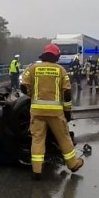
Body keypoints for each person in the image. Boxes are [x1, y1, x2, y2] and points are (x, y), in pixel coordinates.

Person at [20, 43, 84, 180]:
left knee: (37, 140)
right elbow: (67, 93)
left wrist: (32, 95)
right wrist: (67, 111)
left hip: (37, 111)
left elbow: (23, 86)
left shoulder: (33, 68)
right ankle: (73, 164)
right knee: (64, 138)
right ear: (56, 56)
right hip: (55, 113)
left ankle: (37, 171)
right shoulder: (61, 70)